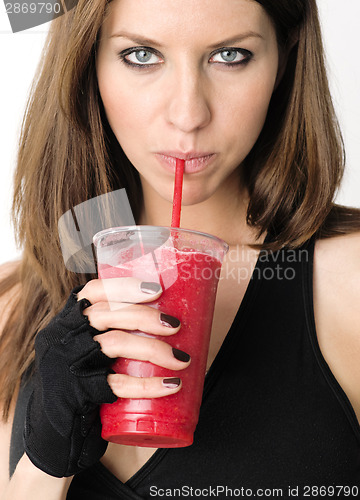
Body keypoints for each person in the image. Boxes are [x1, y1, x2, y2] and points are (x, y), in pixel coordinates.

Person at [1, 0, 360, 498]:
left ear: (285, 57)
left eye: (231, 55)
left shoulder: (350, 284)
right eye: (142, 55)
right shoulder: (12, 307)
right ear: (88, 65)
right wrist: (44, 466)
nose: (188, 115)